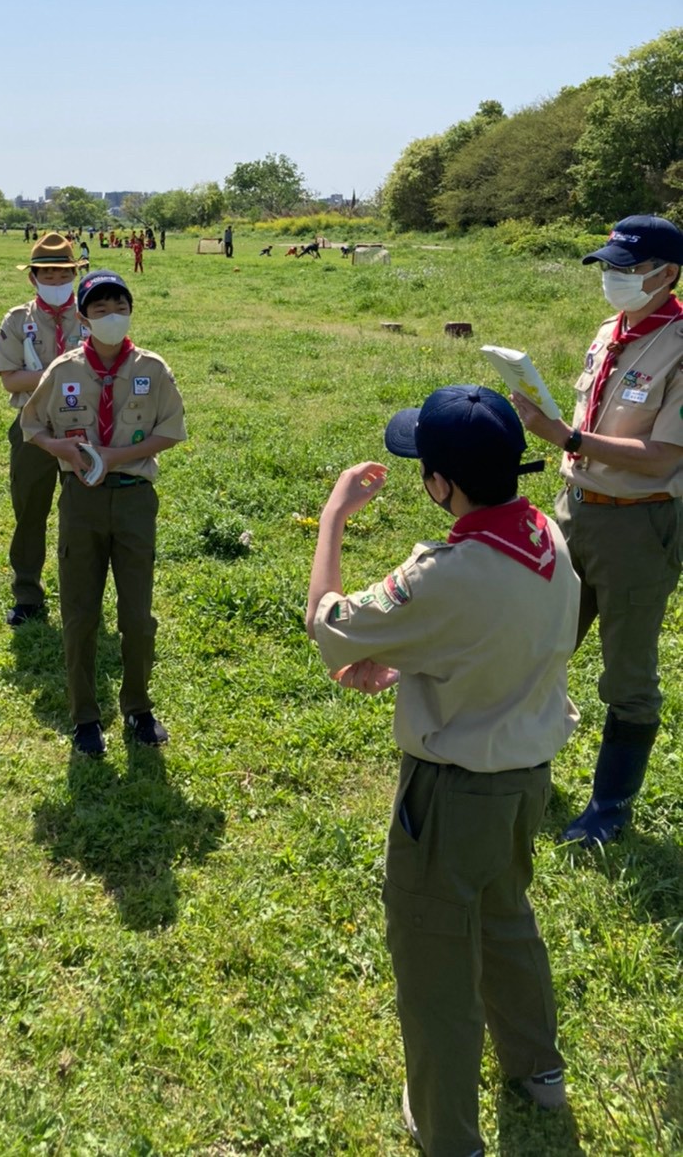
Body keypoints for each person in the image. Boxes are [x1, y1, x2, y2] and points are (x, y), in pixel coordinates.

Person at [306, 385, 578, 1157]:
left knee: (435, 968)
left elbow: (328, 625)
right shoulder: (548, 538)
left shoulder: (444, 573)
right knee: (505, 918)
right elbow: (494, 640)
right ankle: (539, 1070)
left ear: (439, 484)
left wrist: (332, 519)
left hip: (452, 797)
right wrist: (412, 661)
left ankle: (447, 1132)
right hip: (525, 778)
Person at [511, 214, 683, 845]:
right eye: (608, 267)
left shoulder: (680, 345)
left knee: (628, 676)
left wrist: (568, 438)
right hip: (575, 509)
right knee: (543, 641)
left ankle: (609, 808)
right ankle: (522, 761)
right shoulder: (612, 329)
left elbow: (664, 457)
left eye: (627, 269)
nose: (613, 278)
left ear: (667, 274)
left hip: (637, 524)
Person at [21, 269, 186, 754]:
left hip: (134, 499)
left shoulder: (152, 368)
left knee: (137, 615)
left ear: (131, 311)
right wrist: (59, 448)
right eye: (100, 309)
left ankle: (137, 707)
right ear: (84, 316)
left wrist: (116, 456)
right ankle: (86, 717)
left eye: (120, 307)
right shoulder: (64, 371)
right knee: (79, 613)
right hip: (82, 501)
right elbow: (32, 425)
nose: (112, 316)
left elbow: (170, 430)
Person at [0, 234, 84, 626]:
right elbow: (11, 380)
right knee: (30, 512)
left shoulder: (92, 314)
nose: (55, 280)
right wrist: (61, 373)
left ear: (75, 274)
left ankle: (80, 591)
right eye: (47, 274)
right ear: (33, 278)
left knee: (82, 514)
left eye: (63, 274)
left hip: (83, 428)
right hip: (33, 427)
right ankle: (28, 593)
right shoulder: (18, 320)